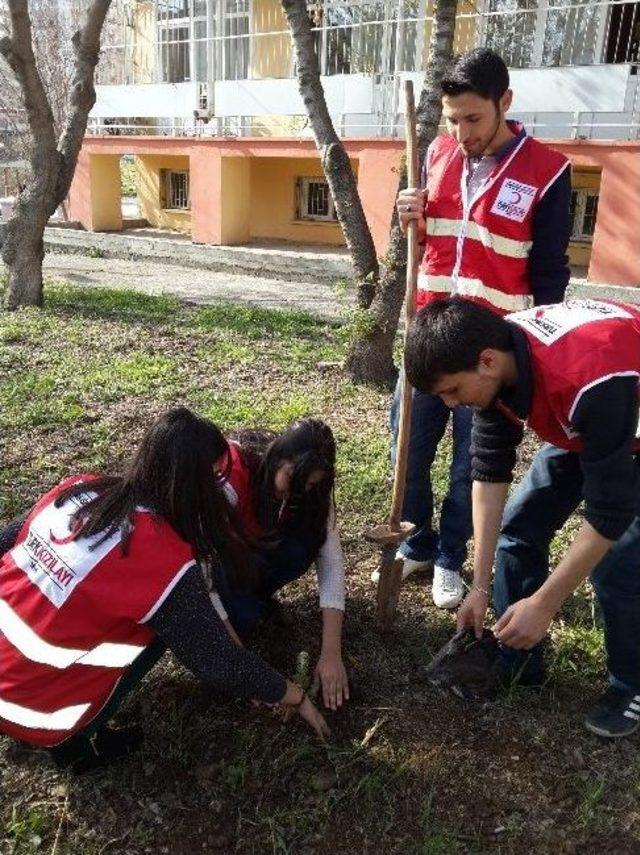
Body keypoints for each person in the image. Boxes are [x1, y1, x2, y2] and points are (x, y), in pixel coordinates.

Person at [0, 408, 329, 774]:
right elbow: (216, 660)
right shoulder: (160, 557)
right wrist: (294, 696)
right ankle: (76, 740)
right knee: (165, 627)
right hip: (28, 709)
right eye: (214, 479)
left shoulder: (80, 488)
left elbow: (6, 542)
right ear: (191, 485)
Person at [379, 47, 571, 609]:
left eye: (474, 119)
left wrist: (537, 347)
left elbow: (550, 273)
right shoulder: (433, 154)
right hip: (428, 334)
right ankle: (418, 542)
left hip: (487, 352)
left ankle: (449, 558)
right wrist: (407, 211)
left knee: (472, 462)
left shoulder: (547, 171)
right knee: (407, 450)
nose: (462, 133)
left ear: (504, 103)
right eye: (453, 120)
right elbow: (427, 238)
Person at [405, 297, 640, 738]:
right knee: (519, 526)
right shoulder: (494, 356)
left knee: (619, 565)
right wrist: (478, 585)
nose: (452, 405)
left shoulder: (590, 377)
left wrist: (546, 604)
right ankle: (519, 658)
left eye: (452, 391)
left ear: (487, 362)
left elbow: (610, 511)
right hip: (587, 422)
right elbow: (489, 473)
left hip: (621, 409)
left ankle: (631, 685)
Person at [211, 419, 349, 712]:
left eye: (310, 484)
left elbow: (332, 562)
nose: (299, 490)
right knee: (242, 616)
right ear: (277, 458)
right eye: (293, 477)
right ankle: (239, 611)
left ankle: (256, 597)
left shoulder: (313, 493)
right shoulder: (232, 479)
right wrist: (244, 670)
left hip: (254, 553)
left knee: (302, 545)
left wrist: (331, 653)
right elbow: (200, 574)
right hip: (219, 566)